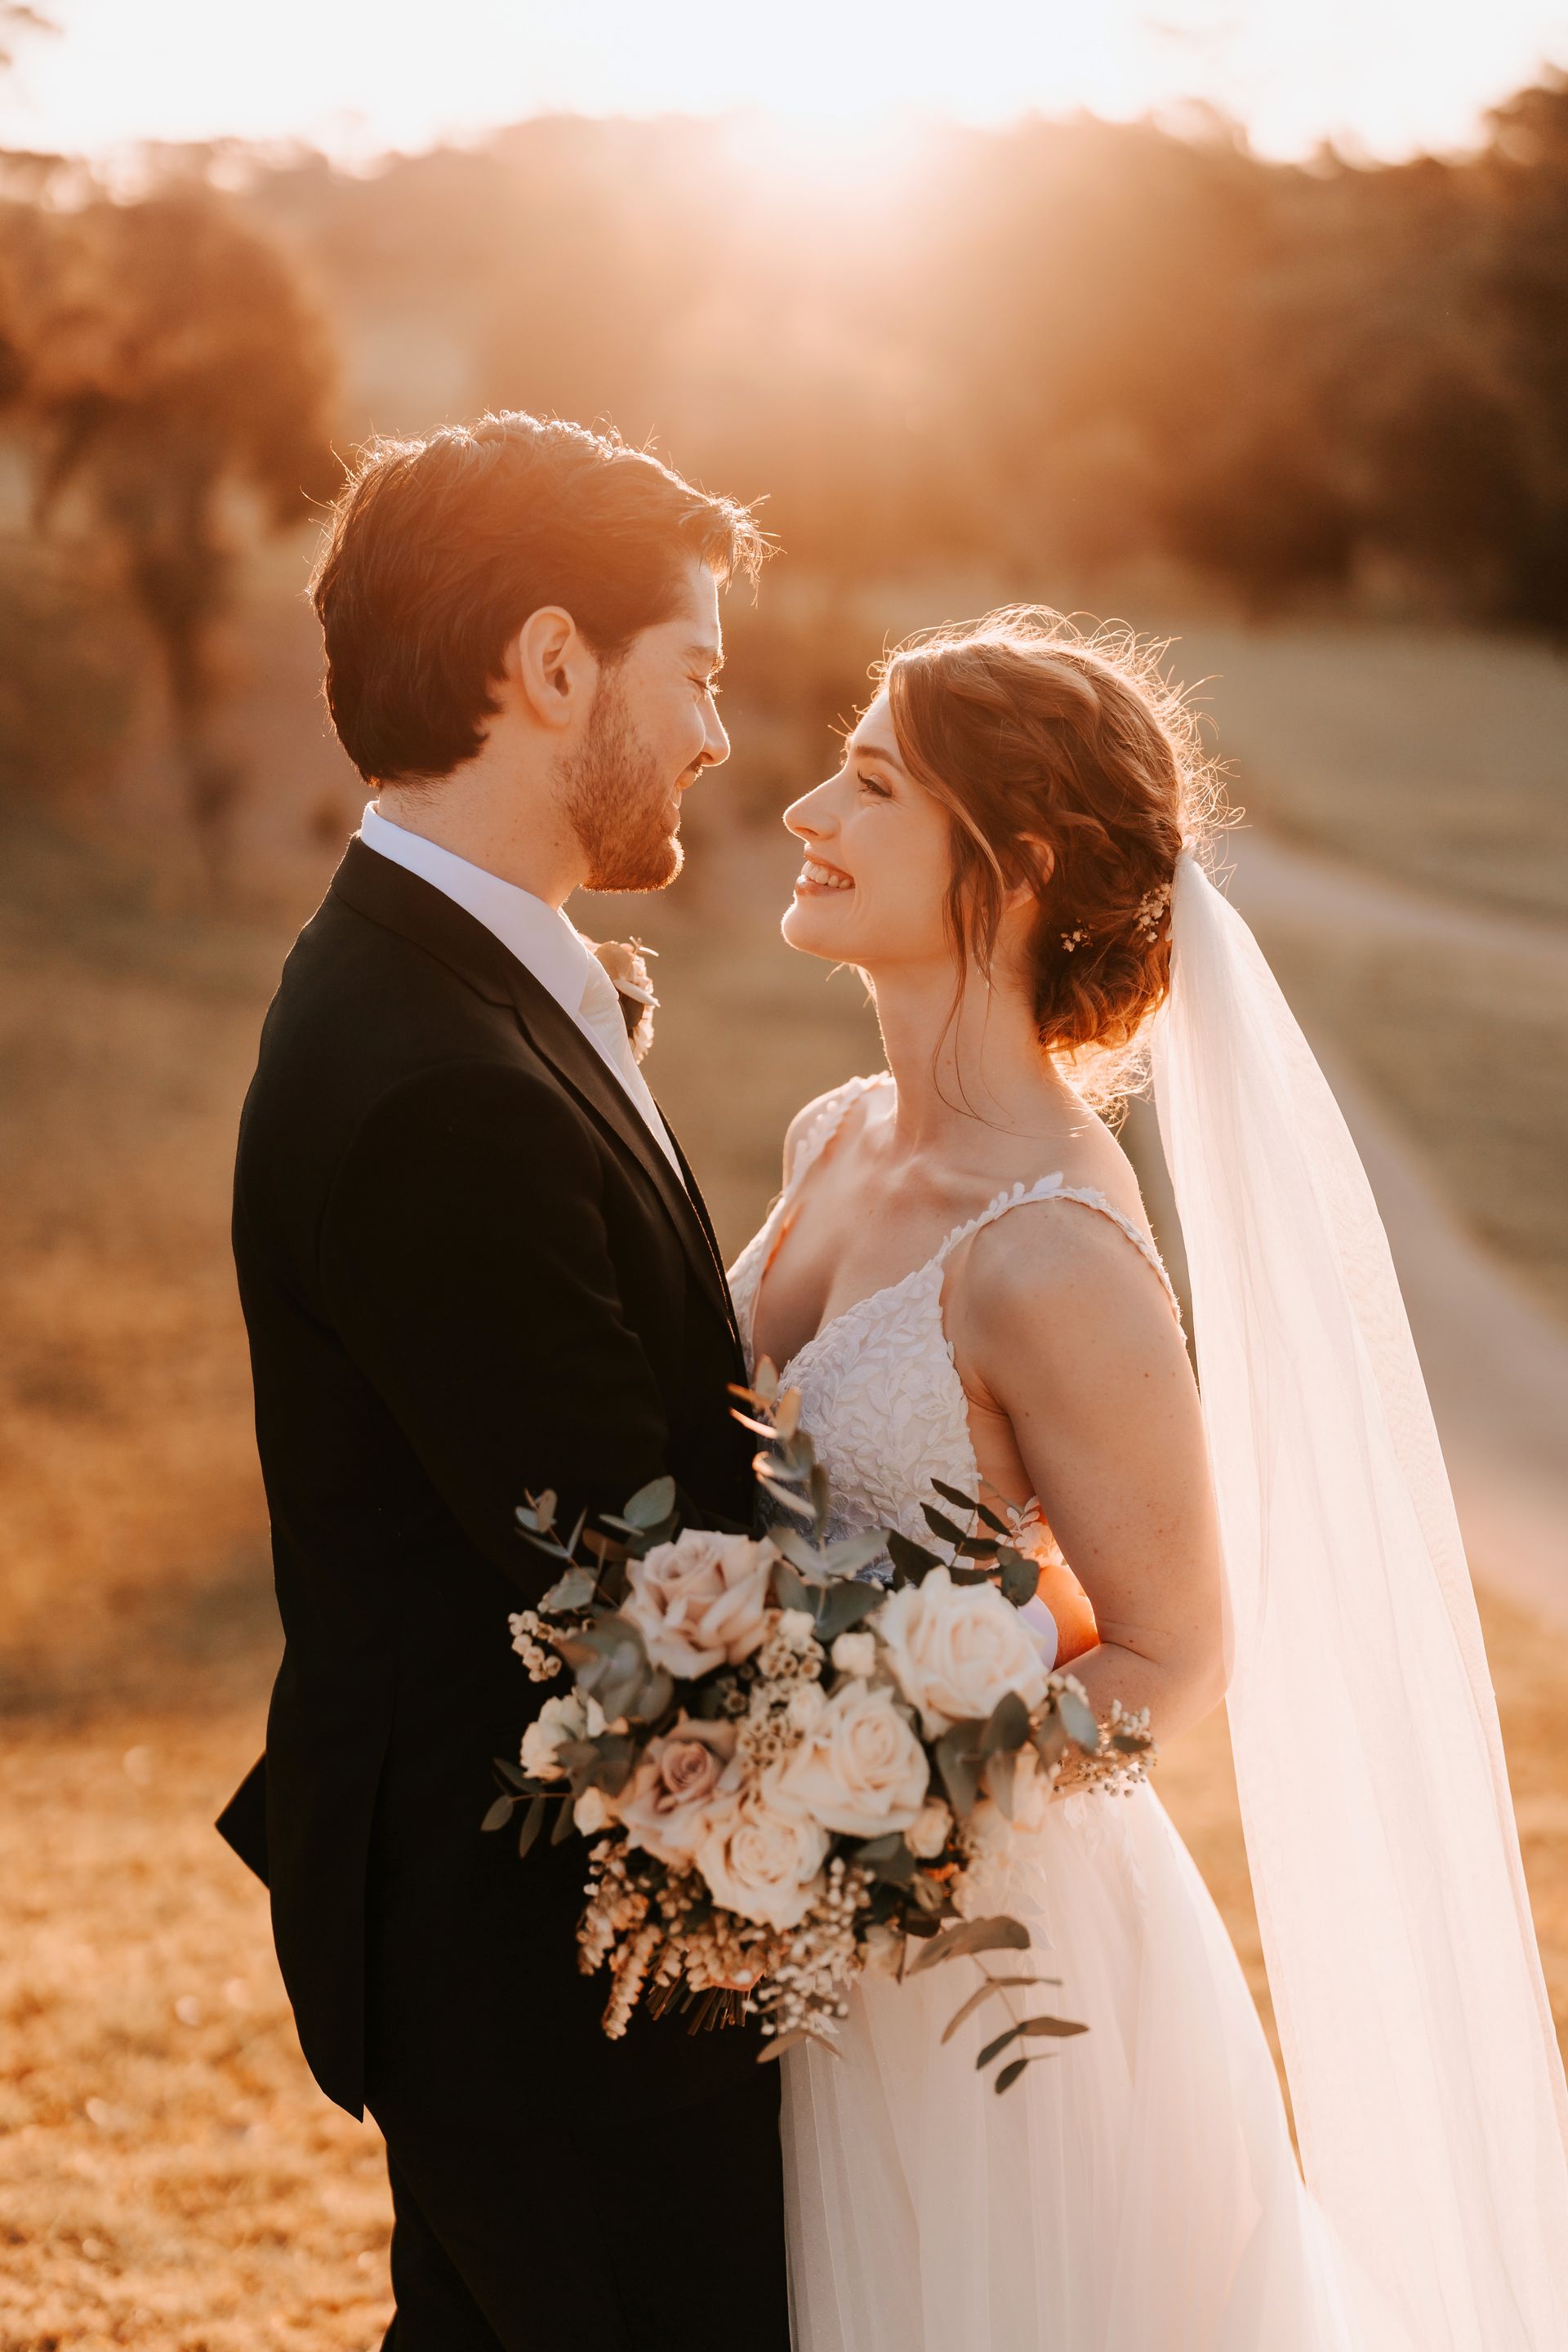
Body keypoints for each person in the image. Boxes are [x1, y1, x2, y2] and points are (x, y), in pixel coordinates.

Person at [728, 608, 1568, 2350]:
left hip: (986, 1961)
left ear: (1019, 863)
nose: (806, 808)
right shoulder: (832, 1135)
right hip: (788, 1917)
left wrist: (887, 1804)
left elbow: (1175, 1650)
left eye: (870, 783)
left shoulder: (1053, 1257)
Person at [216, 412, 791, 2351]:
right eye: (694, 672)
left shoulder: (457, 974)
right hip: (547, 1961)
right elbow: (631, 1583)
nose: (718, 736)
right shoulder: (436, 1078)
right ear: (552, 666)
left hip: (524, 1922)